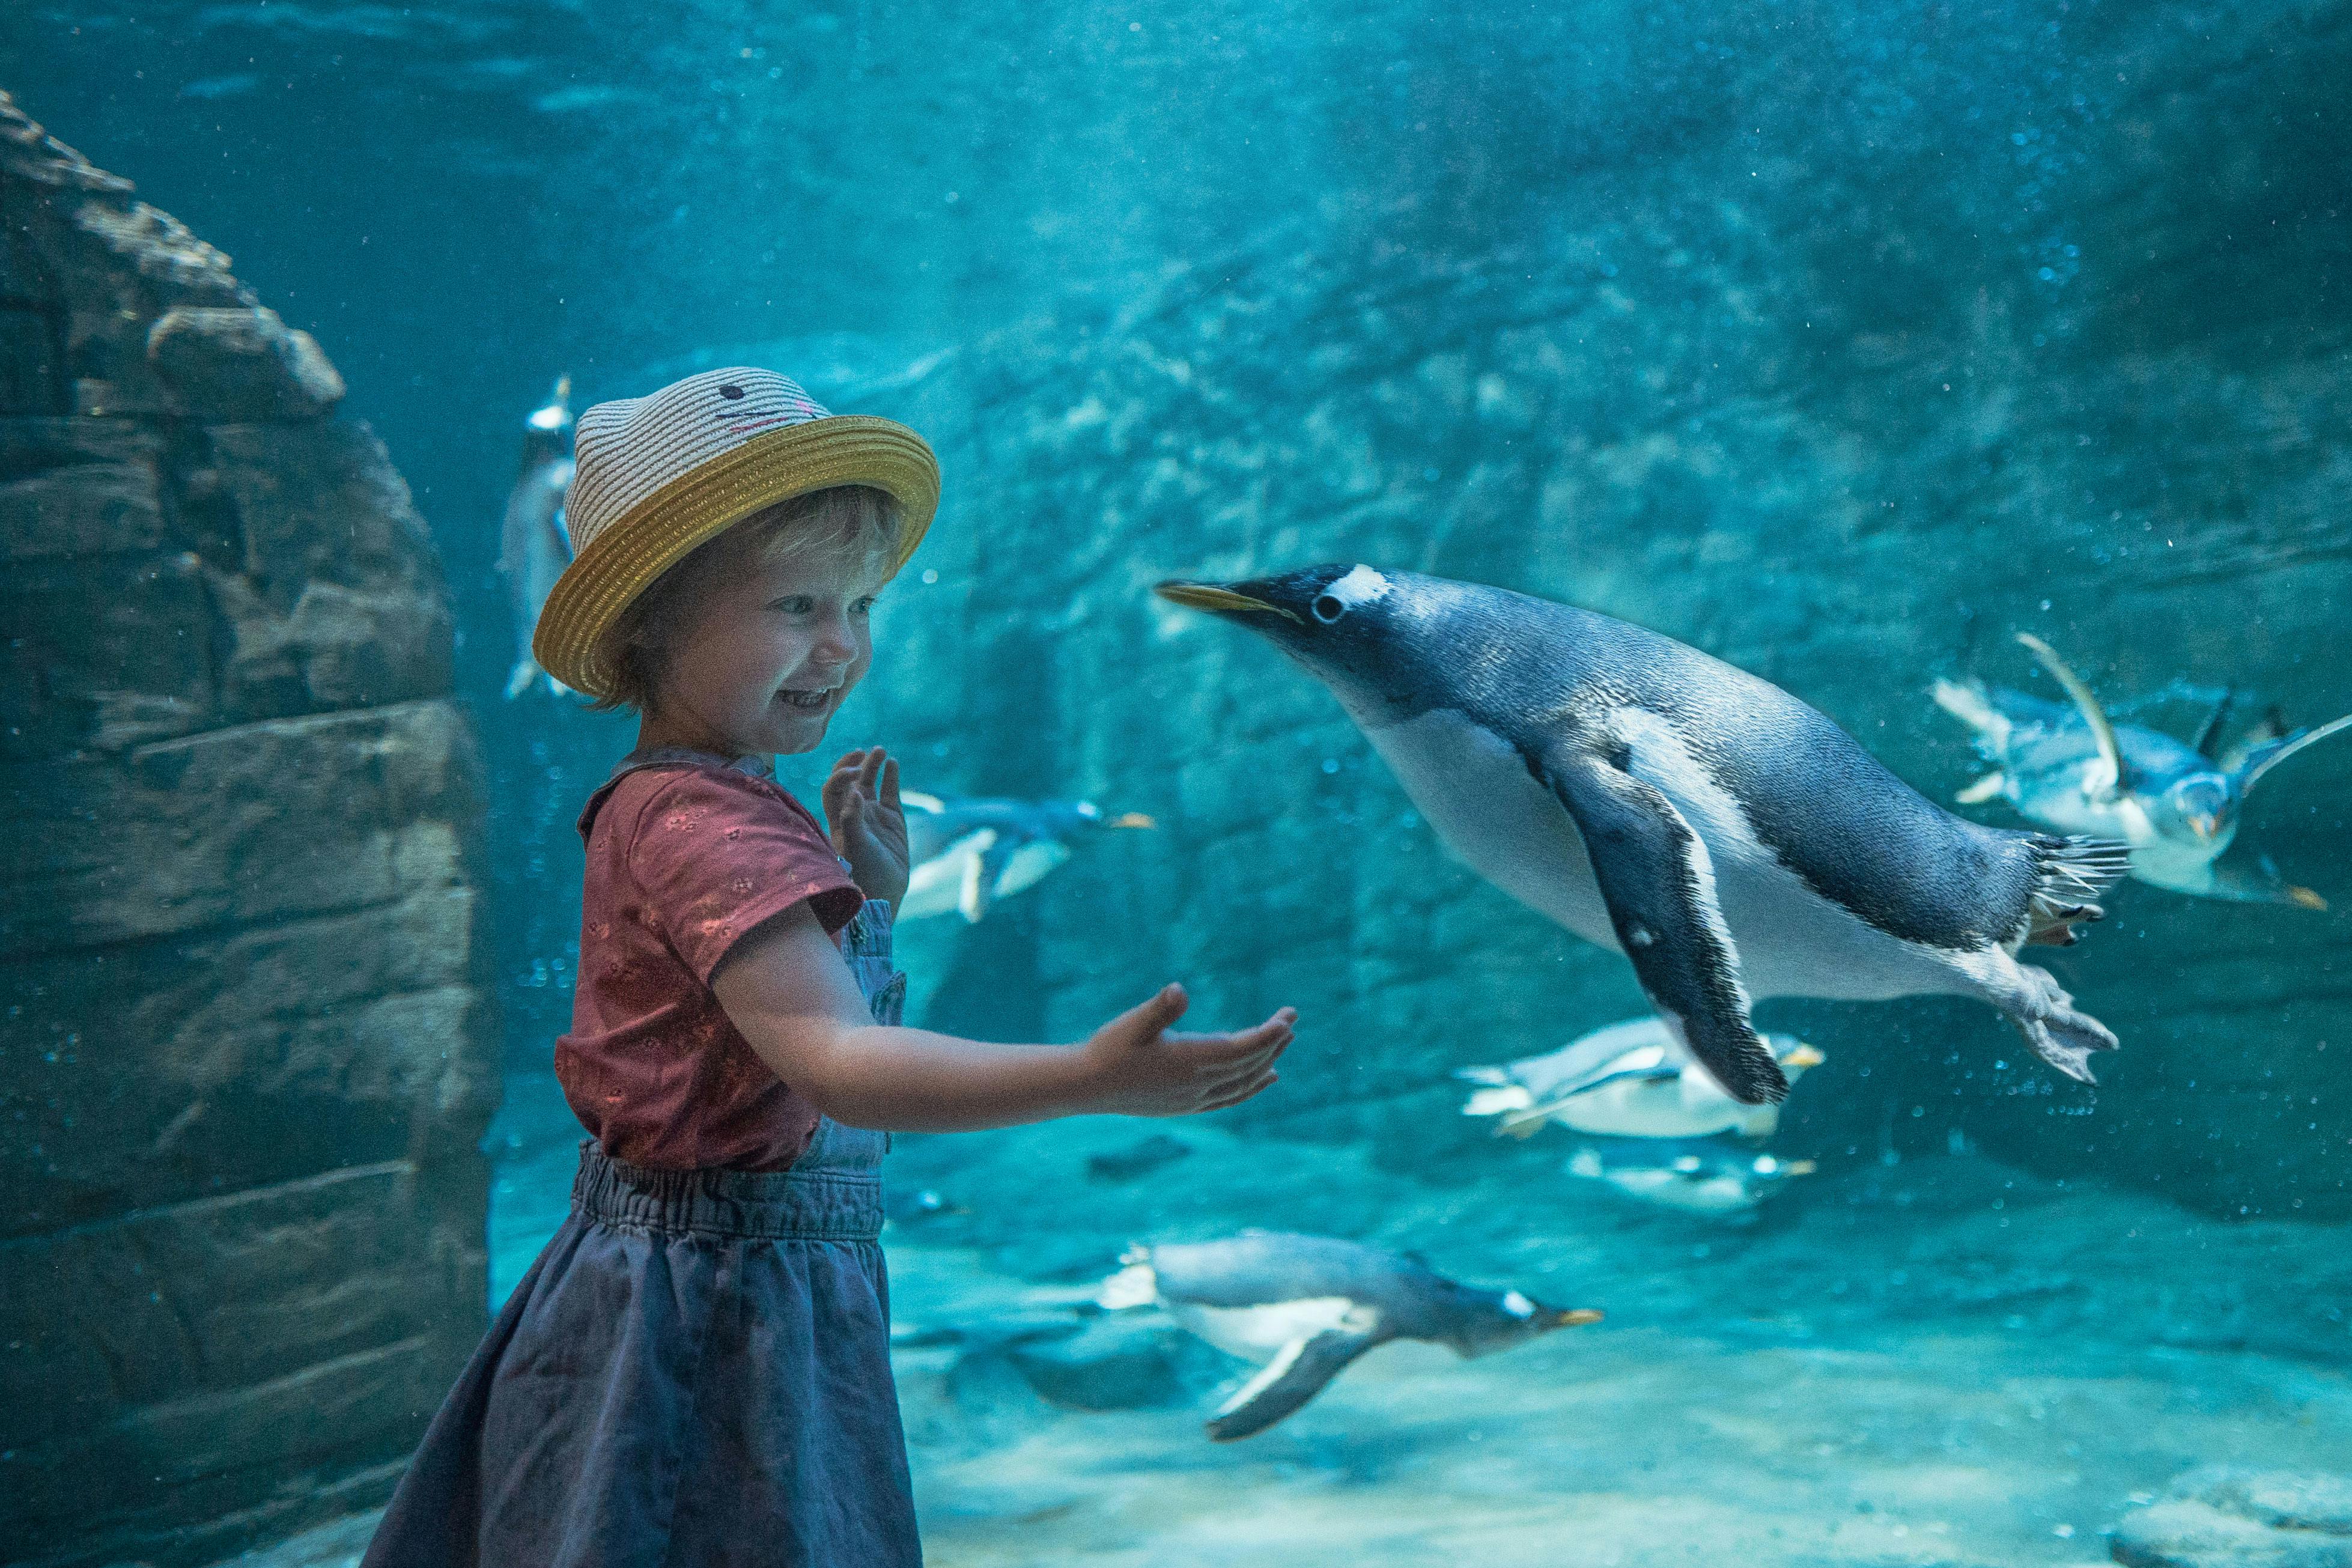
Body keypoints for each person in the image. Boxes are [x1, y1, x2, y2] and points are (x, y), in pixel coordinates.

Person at [361, 367, 1295, 1567]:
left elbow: (772, 1050)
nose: (842, 646)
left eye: (861, 605)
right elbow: (840, 1067)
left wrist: (871, 910)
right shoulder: (706, 824)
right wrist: (1083, 1076)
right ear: (649, 615)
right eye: (798, 604)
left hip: (713, 1282)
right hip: (706, 1313)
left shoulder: (705, 798)